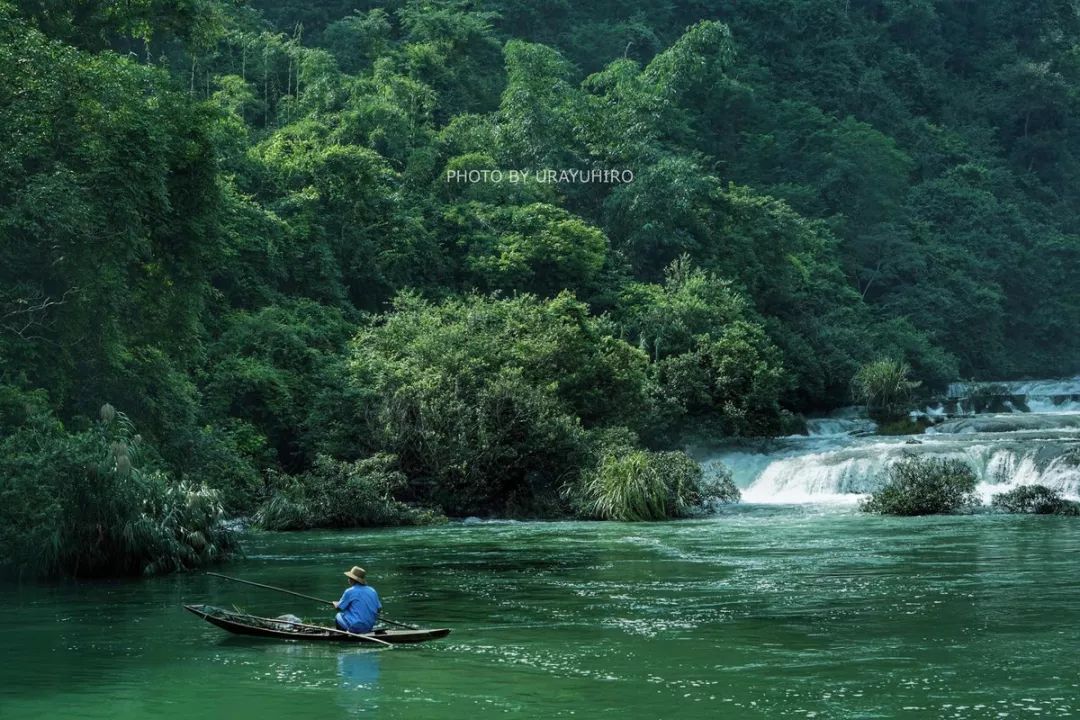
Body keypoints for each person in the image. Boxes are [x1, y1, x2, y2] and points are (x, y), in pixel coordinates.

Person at [333, 566, 381, 633]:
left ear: (352, 579)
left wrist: (335, 604)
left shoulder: (349, 591)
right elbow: (378, 609)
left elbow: (339, 608)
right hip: (369, 627)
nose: (348, 579)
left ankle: (342, 636)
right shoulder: (372, 590)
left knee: (338, 615)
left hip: (356, 627)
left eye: (349, 577)